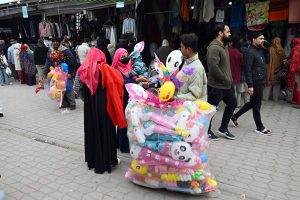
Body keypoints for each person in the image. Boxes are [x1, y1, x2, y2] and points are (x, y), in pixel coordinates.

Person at [77, 48, 126, 174]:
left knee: (92, 131)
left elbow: (78, 91)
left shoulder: (83, 70)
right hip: (105, 107)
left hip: (90, 109)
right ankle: (108, 160)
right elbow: (119, 81)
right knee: (105, 131)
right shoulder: (106, 69)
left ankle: (93, 160)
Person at [231, 32, 271, 135]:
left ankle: (235, 116)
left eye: (263, 38)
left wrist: (267, 49)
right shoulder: (250, 52)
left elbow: (267, 61)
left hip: (261, 80)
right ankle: (259, 127)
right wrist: (250, 85)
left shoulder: (261, 50)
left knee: (253, 103)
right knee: (257, 104)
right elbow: (247, 70)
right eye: (260, 38)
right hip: (255, 81)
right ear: (254, 39)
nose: (263, 40)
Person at [112, 48, 149, 153]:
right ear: (118, 58)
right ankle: (123, 145)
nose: (126, 57)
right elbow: (123, 83)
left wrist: (143, 83)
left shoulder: (129, 66)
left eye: (127, 54)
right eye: (123, 56)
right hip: (122, 98)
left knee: (131, 120)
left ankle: (124, 143)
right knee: (123, 120)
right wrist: (137, 80)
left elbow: (134, 80)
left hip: (132, 97)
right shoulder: (115, 70)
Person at [206, 23, 237, 140]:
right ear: (220, 33)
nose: (230, 34)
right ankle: (206, 131)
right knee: (211, 110)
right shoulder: (214, 47)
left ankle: (223, 129)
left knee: (232, 103)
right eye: (228, 32)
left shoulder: (224, 46)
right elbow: (213, 67)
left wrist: (228, 80)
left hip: (226, 85)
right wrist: (225, 78)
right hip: (216, 85)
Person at [45, 37, 77, 110]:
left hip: (65, 72)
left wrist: (63, 64)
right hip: (55, 73)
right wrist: (46, 70)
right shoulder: (50, 51)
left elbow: (72, 59)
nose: (55, 43)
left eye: (57, 41)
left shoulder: (65, 50)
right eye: (54, 41)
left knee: (68, 87)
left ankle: (72, 103)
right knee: (59, 88)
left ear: (59, 42)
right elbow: (47, 61)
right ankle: (64, 103)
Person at [176, 33, 207, 101]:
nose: (180, 49)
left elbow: (194, 95)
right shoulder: (187, 62)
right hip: (184, 106)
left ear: (188, 49)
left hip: (192, 109)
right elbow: (182, 82)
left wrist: (176, 98)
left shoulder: (197, 68)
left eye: (182, 47)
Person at [228, 35, 249, 107]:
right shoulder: (239, 54)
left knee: (232, 90)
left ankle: (233, 104)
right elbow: (243, 65)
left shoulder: (226, 51)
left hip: (228, 74)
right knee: (239, 90)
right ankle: (239, 104)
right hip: (237, 75)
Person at [263, 37, 285, 101]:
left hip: (270, 69)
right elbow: (284, 60)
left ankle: (265, 98)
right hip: (279, 70)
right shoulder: (282, 50)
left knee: (268, 84)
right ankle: (275, 98)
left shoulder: (270, 49)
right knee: (277, 85)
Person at [287, 38, 300, 108]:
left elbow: (294, 59)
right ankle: (295, 99)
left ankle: (299, 102)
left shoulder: (295, 48)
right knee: (296, 84)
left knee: (297, 84)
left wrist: (292, 69)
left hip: (297, 70)